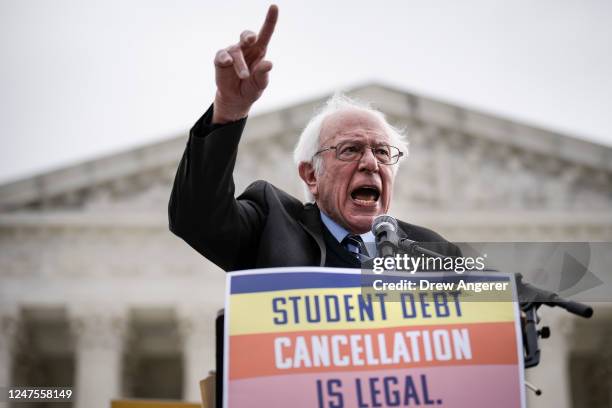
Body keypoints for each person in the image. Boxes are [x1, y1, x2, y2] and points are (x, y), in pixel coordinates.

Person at [168, 5, 459, 272]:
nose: (370, 162)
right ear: (311, 175)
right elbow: (197, 218)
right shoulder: (272, 227)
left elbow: (499, 302)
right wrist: (229, 108)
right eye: (351, 149)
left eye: (382, 152)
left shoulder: (433, 252)